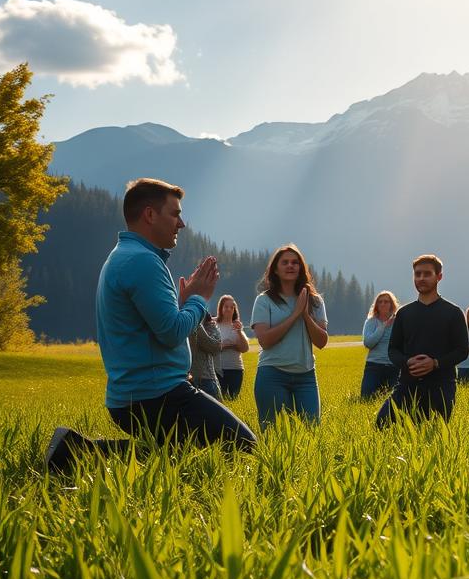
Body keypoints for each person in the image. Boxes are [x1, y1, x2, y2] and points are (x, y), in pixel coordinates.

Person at [45, 178, 256, 472]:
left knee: (174, 454)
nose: (181, 223)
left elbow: (155, 323)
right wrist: (199, 300)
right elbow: (170, 332)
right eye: (175, 214)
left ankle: (76, 449)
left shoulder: (127, 256)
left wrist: (182, 301)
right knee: (245, 447)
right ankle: (77, 450)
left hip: (138, 394)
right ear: (150, 215)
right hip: (156, 395)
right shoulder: (142, 262)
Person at [376, 255, 468, 427]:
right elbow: (393, 350)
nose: (421, 278)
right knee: (381, 425)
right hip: (407, 385)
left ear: (439, 276)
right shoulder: (404, 314)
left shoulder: (453, 313)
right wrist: (407, 361)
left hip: (441, 386)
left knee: (432, 436)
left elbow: (462, 351)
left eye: (427, 274)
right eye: (417, 274)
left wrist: (435, 363)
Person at [251, 244, 329, 429]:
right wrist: (295, 314)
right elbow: (265, 341)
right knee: (273, 434)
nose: (290, 266)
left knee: (311, 432)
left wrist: (305, 314)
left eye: (295, 262)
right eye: (284, 262)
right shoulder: (264, 300)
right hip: (272, 375)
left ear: (301, 268)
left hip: (306, 376)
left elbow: (321, 341)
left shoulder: (315, 301)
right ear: (275, 270)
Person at [360, 291, 400, 399]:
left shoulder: (398, 322)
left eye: (386, 302)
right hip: (374, 366)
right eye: (380, 302)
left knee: (394, 400)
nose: (383, 304)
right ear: (376, 305)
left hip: (394, 367)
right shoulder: (371, 322)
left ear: (392, 304)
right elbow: (368, 343)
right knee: (366, 398)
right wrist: (383, 327)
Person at [215, 295, 249, 400]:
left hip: (235, 369)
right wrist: (221, 346)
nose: (229, 309)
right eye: (226, 306)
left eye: (232, 307)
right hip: (218, 370)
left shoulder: (237, 326)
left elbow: (245, 348)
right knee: (219, 401)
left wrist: (239, 332)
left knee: (233, 400)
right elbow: (207, 346)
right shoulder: (214, 325)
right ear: (221, 308)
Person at [187, 311, 223, 400]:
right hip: (185, 380)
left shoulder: (210, 325)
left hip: (206, 380)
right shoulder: (180, 320)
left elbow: (215, 348)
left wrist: (196, 324)